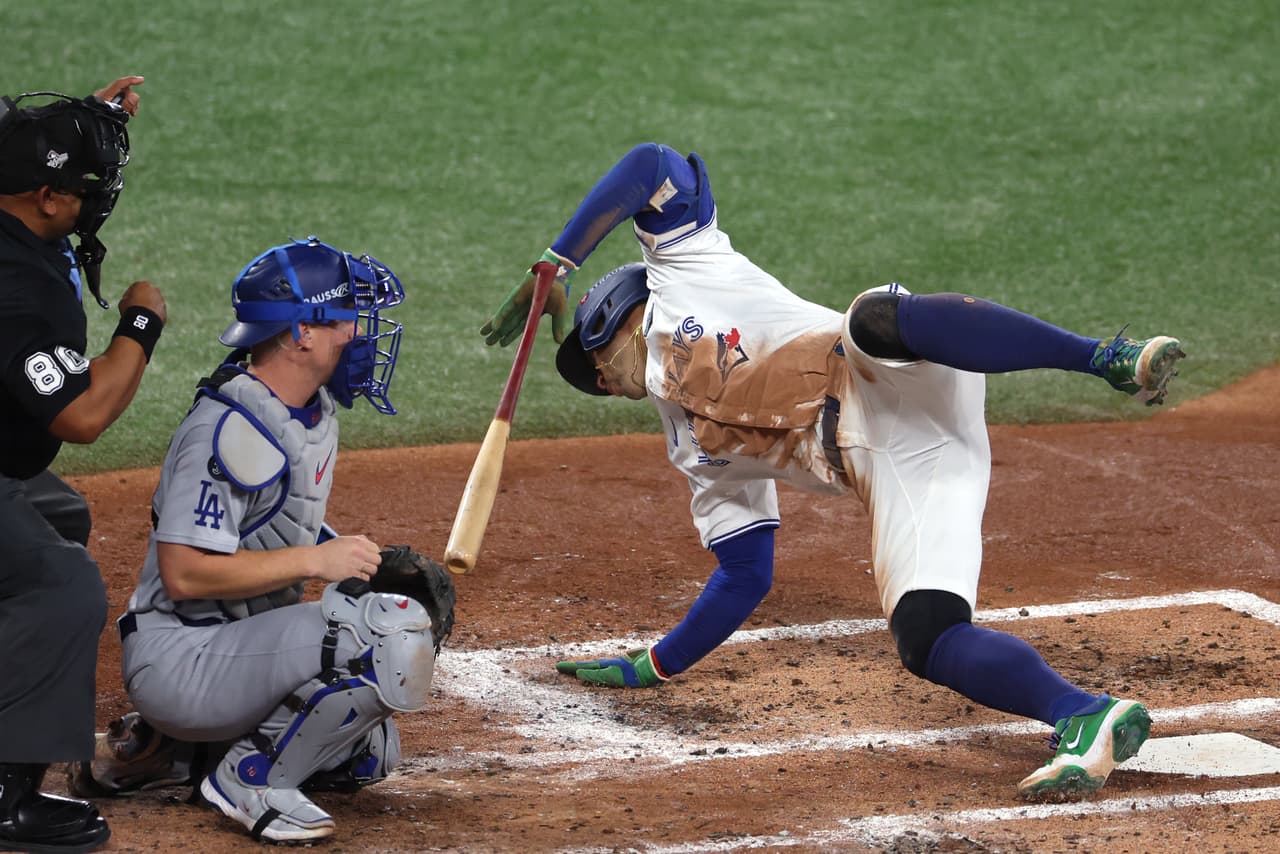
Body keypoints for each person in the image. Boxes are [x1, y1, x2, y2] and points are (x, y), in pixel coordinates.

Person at [481, 142, 1185, 800]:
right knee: (927, 636)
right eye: (597, 379)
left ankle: (1104, 358)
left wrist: (561, 258)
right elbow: (745, 572)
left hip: (892, 379)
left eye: (595, 362)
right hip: (906, 463)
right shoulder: (691, 450)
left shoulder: (684, 268)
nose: (603, 379)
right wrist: (656, 663)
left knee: (872, 317)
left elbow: (654, 165)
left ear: (616, 321)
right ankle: (1084, 715)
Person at [67, 236, 450, 844]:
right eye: (346, 317)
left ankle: (173, 757)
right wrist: (317, 560)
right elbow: (185, 573)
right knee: (379, 636)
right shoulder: (228, 430)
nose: (360, 332)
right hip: (180, 658)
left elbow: (272, 523)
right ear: (300, 332)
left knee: (368, 750)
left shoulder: (305, 411)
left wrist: (357, 566)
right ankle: (248, 778)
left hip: (229, 645)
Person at [0, 75, 163, 853]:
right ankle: (7, 798)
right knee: (61, 583)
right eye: (83, 186)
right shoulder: (15, 289)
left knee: (58, 514)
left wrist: (86, 124)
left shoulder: (12, 211)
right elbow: (83, 414)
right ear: (44, 198)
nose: (96, 198)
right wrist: (139, 324)